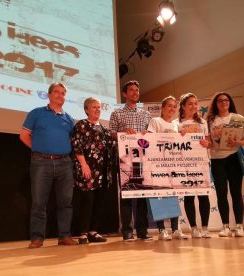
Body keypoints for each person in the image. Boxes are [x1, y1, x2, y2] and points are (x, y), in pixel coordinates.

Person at [20, 82, 78, 248]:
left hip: (65, 163)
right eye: (57, 92)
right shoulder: (36, 113)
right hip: (41, 162)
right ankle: (37, 238)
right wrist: (39, 149)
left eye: (63, 93)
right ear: (49, 95)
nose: (60, 95)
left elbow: (72, 141)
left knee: (66, 202)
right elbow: (24, 136)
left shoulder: (69, 119)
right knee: (39, 202)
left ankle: (64, 236)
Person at [207, 92, 244, 237]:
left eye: (226, 100)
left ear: (230, 102)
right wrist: (209, 143)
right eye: (220, 101)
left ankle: (239, 226)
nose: (223, 102)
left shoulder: (237, 118)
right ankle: (225, 226)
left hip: (233, 158)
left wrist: (240, 142)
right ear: (216, 104)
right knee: (221, 194)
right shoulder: (210, 120)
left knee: (236, 193)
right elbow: (208, 139)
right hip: (216, 160)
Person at [109, 80, 153, 242]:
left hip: (143, 158)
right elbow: (111, 133)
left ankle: (142, 230)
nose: (135, 93)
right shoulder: (117, 113)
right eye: (132, 90)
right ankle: (127, 230)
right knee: (127, 195)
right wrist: (123, 133)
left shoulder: (146, 115)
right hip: (124, 159)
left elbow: (152, 136)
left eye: (137, 90)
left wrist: (145, 134)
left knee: (142, 194)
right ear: (124, 94)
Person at [71, 97, 116, 244]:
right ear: (86, 110)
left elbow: (116, 141)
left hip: (103, 172)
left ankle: (93, 231)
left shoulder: (104, 129)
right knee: (87, 201)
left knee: (99, 201)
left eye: (99, 107)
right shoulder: (81, 126)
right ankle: (83, 232)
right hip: (87, 170)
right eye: (94, 107)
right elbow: (76, 146)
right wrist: (84, 165)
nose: (97, 110)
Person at [146, 96, 188, 241]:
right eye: (168, 106)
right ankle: (162, 230)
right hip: (158, 165)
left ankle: (176, 229)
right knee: (160, 196)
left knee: (173, 196)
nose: (171, 109)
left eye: (174, 106)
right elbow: (150, 141)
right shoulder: (155, 121)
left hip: (173, 166)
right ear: (163, 108)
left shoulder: (177, 125)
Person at [175, 93, 212, 239]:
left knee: (203, 195)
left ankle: (205, 227)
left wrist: (207, 144)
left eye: (195, 103)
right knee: (189, 197)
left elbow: (210, 143)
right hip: (185, 164)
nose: (193, 106)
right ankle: (194, 228)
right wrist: (179, 136)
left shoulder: (203, 123)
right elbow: (172, 144)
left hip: (202, 163)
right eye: (190, 103)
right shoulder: (176, 123)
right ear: (183, 106)